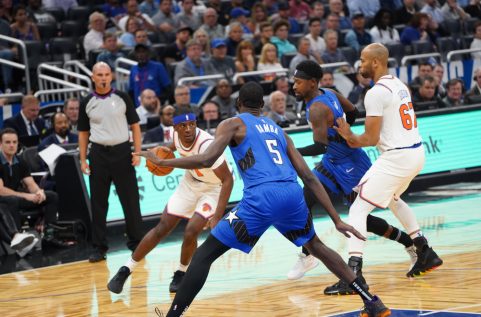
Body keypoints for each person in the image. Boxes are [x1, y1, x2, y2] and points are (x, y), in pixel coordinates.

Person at [136, 81, 391, 317]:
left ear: (238, 104)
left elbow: (206, 159)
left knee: (204, 255)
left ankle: (173, 315)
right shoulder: (279, 131)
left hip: (261, 197)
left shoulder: (233, 123)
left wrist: (163, 160)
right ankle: (372, 301)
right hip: (292, 194)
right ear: (262, 106)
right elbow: (309, 178)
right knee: (316, 246)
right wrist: (336, 219)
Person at [290, 60, 417, 295]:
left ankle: (409, 245)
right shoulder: (330, 92)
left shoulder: (318, 107)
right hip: (333, 163)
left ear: (312, 83)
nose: (294, 86)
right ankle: (308, 255)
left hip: (350, 165)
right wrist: (346, 132)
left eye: (298, 82)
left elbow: (320, 146)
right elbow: (353, 112)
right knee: (302, 201)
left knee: (362, 220)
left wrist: (293, 152)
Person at [334, 43, 443, 281]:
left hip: (397, 156)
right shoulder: (398, 84)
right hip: (416, 152)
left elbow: (370, 139)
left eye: (363, 60)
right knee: (394, 200)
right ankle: (425, 250)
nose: (359, 64)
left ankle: (353, 273)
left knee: (357, 208)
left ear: (375, 62)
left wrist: (348, 135)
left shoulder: (375, 93)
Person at [108, 109, 234, 294]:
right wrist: (164, 151)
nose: (189, 129)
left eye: (192, 124)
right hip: (190, 184)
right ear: (175, 128)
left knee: (191, 230)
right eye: (183, 126)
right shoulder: (177, 137)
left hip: (213, 189)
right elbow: (173, 146)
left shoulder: (207, 144)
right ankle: (126, 270)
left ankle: (181, 272)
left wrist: (217, 215)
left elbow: (228, 180)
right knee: (162, 227)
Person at [78, 62, 144, 262]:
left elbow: (135, 126)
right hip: (98, 154)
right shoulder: (87, 102)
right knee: (98, 203)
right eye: (100, 74)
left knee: (130, 201)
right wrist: (83, 159)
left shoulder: (122, 97)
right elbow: (83, 133)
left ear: (111, 76)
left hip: (123, 152)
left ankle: (137, 244)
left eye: (107, 74)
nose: (104, 78)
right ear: (93, 77)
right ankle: (99, 247)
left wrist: (138, 152)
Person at [0, 128, 58, 252]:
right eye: (8, 142)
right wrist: (25, 196)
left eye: (14, 142)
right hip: (4, 200)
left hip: (16, 198)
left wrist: (38, 192)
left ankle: (49, 237)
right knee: (11, 200)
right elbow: (1, 191)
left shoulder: (20, 161)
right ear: (0, 144)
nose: (12, 145)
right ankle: (18, 240)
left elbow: (30, 183)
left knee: (51, 196)